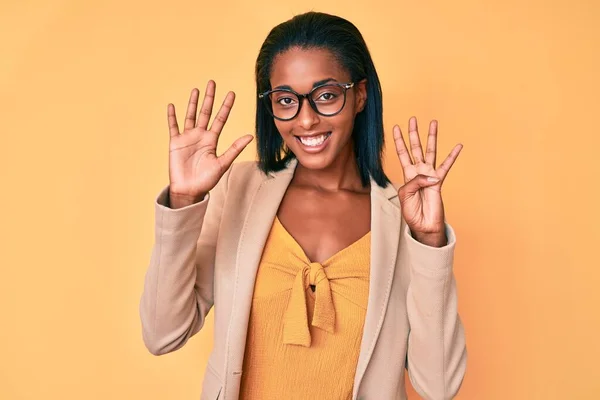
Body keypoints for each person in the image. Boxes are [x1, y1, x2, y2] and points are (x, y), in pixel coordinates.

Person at [139, 11, 467, 400]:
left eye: (326, 95)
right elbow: (163, 334)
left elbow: (440, 386)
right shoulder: (238, 190)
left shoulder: (403, 219)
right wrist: (184, 201)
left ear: (359, 95)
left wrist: (429, 241)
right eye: (286, 100)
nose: (306, 120)